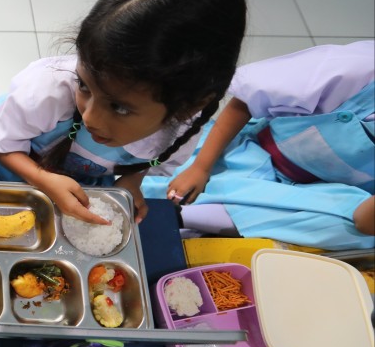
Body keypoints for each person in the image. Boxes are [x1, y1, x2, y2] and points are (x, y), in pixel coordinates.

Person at [0, 0, 247, 224]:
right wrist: (43, 181)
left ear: (187, 108)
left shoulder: (180, 132)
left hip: (74, 184)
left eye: (119, 107)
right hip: (5, 164)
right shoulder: (46, 89)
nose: (92, 117)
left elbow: (149, 165)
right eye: (84, 86)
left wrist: (130, 183)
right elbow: (0, 145)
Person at [143, 41, 375, 250]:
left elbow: (364, 222)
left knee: (363, 236)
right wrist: (201, 167)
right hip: (255, 150)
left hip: (323, 193)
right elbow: (245, 102)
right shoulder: (356, 68)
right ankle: (194, 215)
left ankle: (185, 218)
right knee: (174, 176)